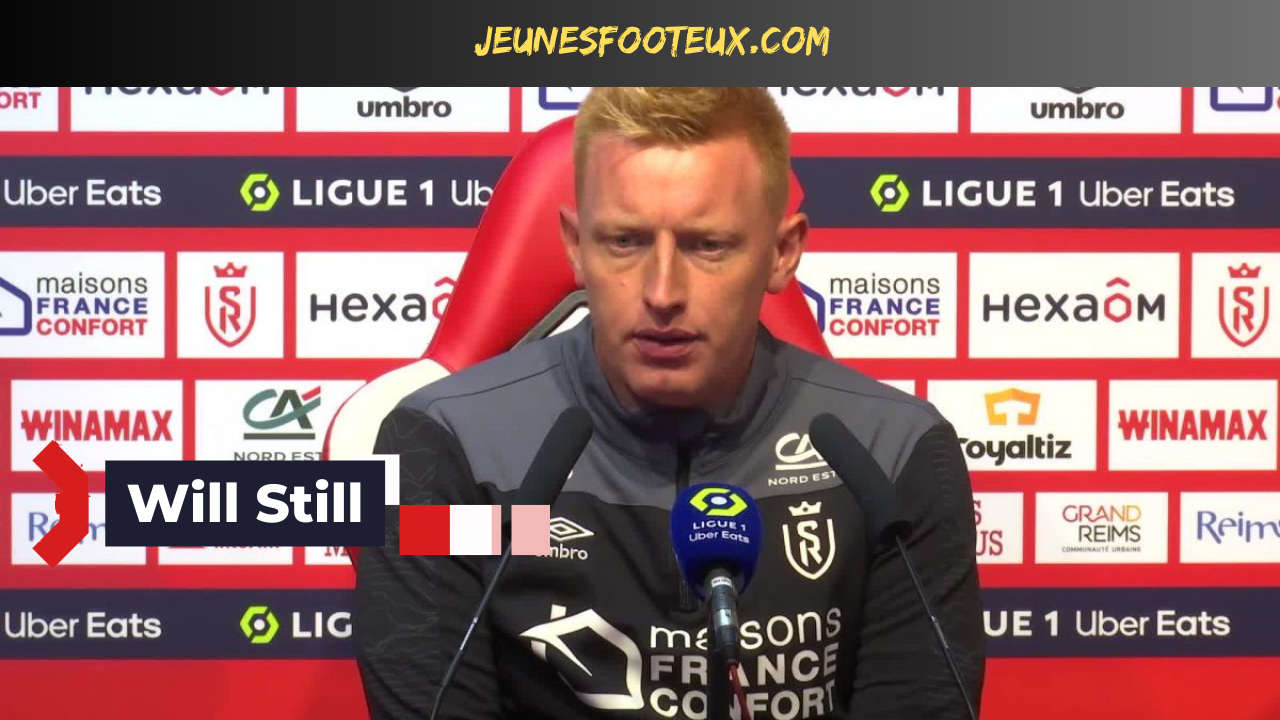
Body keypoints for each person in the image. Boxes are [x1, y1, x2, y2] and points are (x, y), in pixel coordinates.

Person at [355, 87, 984, 719]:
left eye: (707, 245)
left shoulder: (891, 457)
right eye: (625, 241)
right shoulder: (444, 453)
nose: (662, 292)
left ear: (781, 253)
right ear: (575, 245)